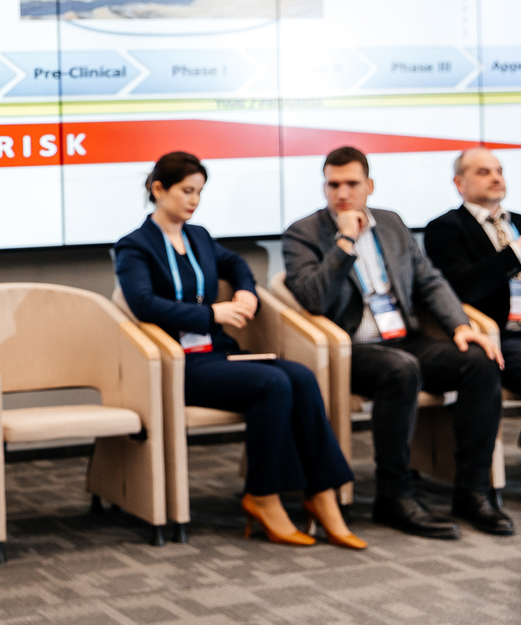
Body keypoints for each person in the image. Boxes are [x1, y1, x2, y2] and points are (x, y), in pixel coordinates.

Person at [116, 152, 362, 548]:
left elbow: (236, 265)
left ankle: (321, 494)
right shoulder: (134, 246)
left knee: (300, 376)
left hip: (216, 354)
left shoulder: (199, 237)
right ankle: (262, 495)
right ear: (158, 189)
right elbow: (143, 304)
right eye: (186, 191)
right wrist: (211, 313)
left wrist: (246, 291)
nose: (194, 200)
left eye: (199, 192)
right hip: (176, 362)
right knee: (271, 383)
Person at [282, 146, 511, 538]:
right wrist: (344, 242)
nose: (342, 193)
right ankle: (394, 494)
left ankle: (472, 491)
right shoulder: (303, 233)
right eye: (333, 184)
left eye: (352, 183)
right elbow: (313, 298)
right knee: (400, 370)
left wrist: (459, 325)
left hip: (404, 339)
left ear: (369, 185)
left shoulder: (390, 223)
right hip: (351, 349)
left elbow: (429, 279)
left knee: (479, 361)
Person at [424, 147, 521, 403]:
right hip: (501, 332)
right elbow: (463, 287)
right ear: (459, 183)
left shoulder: (519, 222)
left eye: (499, 171)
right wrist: (515, 253)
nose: (496, 178)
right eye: (484, 172)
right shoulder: (445, 228)